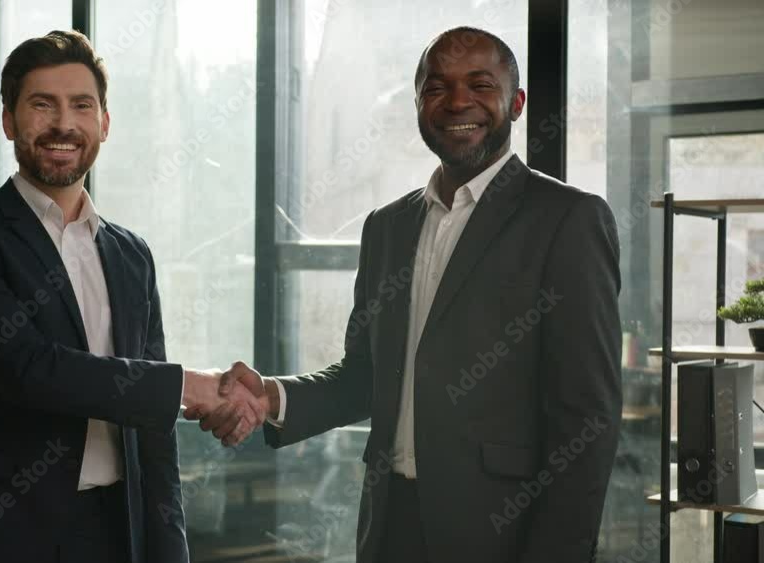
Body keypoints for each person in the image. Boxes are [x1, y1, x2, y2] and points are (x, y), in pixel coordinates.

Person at [189, 26, 623, 563]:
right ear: (418, 105)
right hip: (390, 526)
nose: (457, 101)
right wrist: (270, 397)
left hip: (502, 534)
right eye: (436, 88)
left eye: (480, 85)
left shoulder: (568, 220)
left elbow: (587, 420)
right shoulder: (387, 227)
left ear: (516, 103)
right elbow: (364, 377)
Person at [0, 30, 262, 563]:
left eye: (82, 105)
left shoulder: (131, 253)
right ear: (9, 120)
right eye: (42, 104)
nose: (63, 124)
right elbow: (28, 370)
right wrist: (190, 386)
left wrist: (170, 550)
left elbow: (152, 436)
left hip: (116, 532)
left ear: (104, 123)